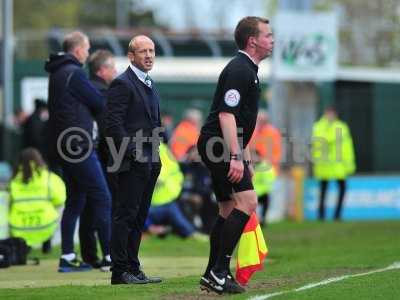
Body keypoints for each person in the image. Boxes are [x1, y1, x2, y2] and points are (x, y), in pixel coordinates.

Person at [197, 16, 274, 294]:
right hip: (218, 143)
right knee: (248, 201)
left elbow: (240, 123)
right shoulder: (240, 70)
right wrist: (235, 157)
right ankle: (219, 272)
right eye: (268, 35)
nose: (272, 40)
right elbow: (227, 116)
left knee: (228, 208)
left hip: (219, 143)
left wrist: (246, 159)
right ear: (252, 41)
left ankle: (211, 274)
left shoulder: (248, 69)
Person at [45, 31, 112, 272]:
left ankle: (67, 256)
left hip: (65, 145)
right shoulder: (73, 73)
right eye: (86, 48)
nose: (87, 52)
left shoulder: (57, 73)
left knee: (75, 201)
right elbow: (98, 101)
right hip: (79, 146)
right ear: (77, 50)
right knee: (103, 197)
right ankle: (110, 257)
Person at [106, 35, 162, 285]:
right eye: (143, 51)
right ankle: (119, 271)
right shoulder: (122, 84)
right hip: (130, 162)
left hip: (150, 162)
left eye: (151, 51)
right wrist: (134, 153)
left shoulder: (149, 83)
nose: (149, 55)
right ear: (131, 56)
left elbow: (152, 122)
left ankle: (133, 266)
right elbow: (113, 125)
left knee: (139, 217)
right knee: (125, 216)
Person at [78, 50, 117, 271]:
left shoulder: (83, 90)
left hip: (81, 153)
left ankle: (89, 255)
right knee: (105, 203)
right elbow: (106, 129)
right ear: (102, 70)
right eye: (112, 68)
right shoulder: (103, 93)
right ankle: (108, 255)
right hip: (101, 156)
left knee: (86, 205)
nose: (116, 72)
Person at [8, 148, 66, 253]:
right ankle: (47, 241)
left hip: (19, 228)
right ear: (39, 159)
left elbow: (8, 201)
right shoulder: (49, 177)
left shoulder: (13, 180)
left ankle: (23, 246)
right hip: (45, 225)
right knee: (61, 207)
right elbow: (60, 199)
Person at [146, 143, 207, 241]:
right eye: (194, 152)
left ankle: (191, 231)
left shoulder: (200, 169)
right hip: (159, 202)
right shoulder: (182, 165)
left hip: (172, 198)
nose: (196, 156)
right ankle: (190, 232)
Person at [311, 106, 356, 221]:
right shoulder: (319, 126)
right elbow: (320, 141)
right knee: (323, 191)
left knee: (342, 189)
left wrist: (349, 164)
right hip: (324, 165)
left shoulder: (341, 127)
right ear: (325, 114)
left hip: (338, 165)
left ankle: (337, 215)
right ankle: (321, 215)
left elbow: (347, 147)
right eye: (328, 113)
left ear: (335, 115)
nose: (330, 116)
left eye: (332, 113)